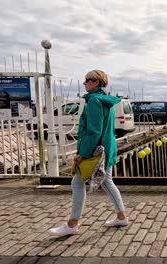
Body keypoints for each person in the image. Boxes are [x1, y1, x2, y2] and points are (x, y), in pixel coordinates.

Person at [49, 70, 128, 236]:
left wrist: (82, 154)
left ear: (96, 82)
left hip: (95, 151)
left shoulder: (94, 101)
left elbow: (93, 131)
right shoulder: (107, 101)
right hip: (107, 148)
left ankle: (72, 224)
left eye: (87, 80)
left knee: (77, 183)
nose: (84, 83)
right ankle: (121, 216)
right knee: (107, 181)